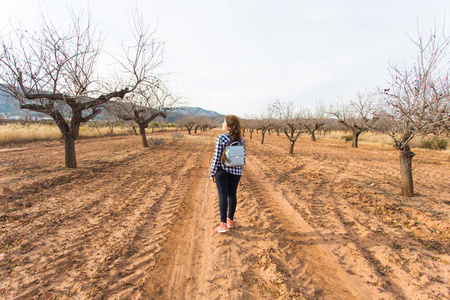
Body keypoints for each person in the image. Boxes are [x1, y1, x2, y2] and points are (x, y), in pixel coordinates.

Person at [210, 115, 246, 233]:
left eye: (224, 122)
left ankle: (223, 224)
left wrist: (212, 173)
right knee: (232, 195)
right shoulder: (241, 140)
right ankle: (230, 220)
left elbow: (216, 158)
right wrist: (239, 171)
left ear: (228, 125)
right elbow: (242, 158)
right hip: (236, 172)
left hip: (223, 171)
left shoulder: (221, 138)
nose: (222, 124)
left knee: (222, 196)